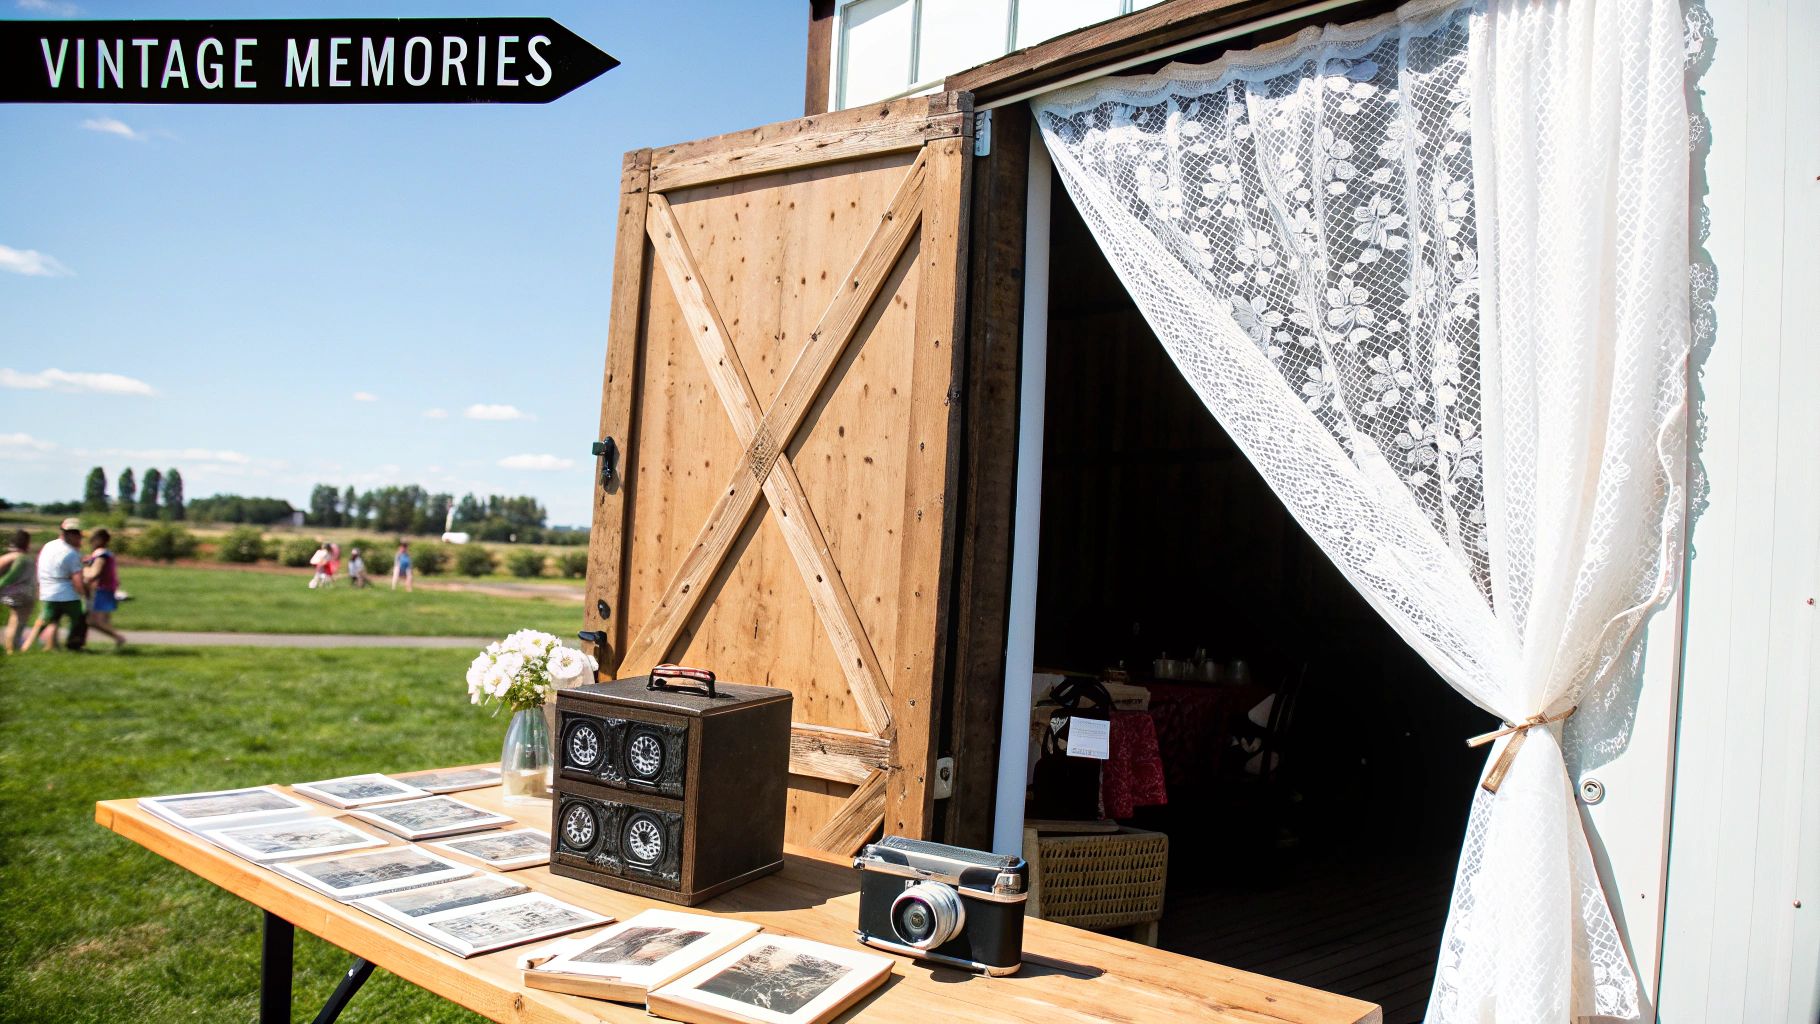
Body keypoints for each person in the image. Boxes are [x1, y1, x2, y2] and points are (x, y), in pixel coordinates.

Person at [29, 517, 87, 651]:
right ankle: (73, 646)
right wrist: (84, 594)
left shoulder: (49, 545)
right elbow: (77, 578)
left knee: (47, 620)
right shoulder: (71, 553)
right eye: (78, 535)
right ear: (72, 534)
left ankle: (33, 646)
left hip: (47, 590)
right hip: (66, 593)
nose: (80, 538)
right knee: (78, 619)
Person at [82, 529, 127, 648]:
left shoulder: (101, 554)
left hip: (102, 590)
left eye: (92, 539)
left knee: (93, 621)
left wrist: (80, 570)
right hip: (108, 589)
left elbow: (94, 573)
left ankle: (119, 638)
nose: (90, 542)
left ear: (99, 540)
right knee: (104, 621)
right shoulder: (107, 553)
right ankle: (117, 644)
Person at [0, 530, 34, 654]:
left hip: (9, 593)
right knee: (18, 621)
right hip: (22, 593)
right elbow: (11, 576)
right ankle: (12, 649)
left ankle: (11, 647)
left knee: (13, 619)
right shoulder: (22, 558)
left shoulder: (6, 557)